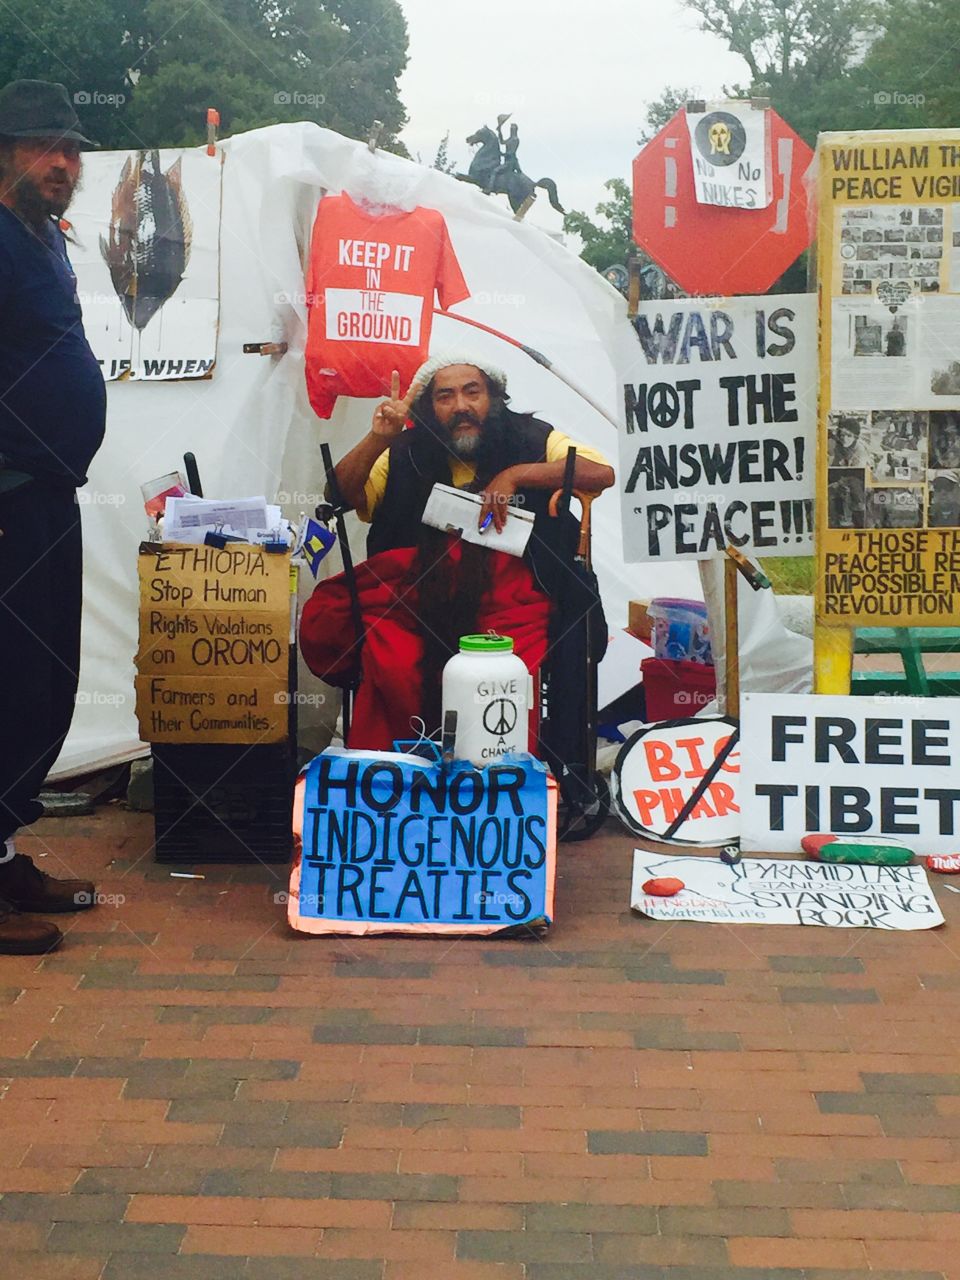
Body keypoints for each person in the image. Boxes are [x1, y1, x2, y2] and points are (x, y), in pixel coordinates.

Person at [300, 355, 614, 749]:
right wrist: (380, 436)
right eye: (445, 396)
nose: (461, 406)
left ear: (494, 398)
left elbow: (601, 473)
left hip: (511, 599)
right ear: (429, 408)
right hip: (416, 597)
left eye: (472, 392)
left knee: (507, 669)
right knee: (395, 663)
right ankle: (407, 769)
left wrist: (515, 475)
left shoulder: (533, 437)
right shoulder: (404, 449)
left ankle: (499, 767)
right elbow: (341, 495)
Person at [0, 81, 106, 954]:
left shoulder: (43, 240)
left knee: (40, 682)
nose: (62, 162)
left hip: (45, 495)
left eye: (70, 150)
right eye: (43, 145)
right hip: (3, 499)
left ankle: (1, 855)